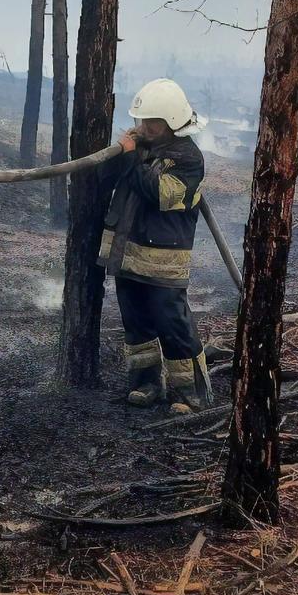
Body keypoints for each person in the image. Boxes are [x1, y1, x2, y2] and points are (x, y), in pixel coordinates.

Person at [99, 78, 212, 414]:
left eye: (151, 122)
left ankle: (190, 393)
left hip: (164, 258)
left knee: (172, 323)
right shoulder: (141, 148)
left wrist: (134, 158)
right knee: (137, 322)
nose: (143, 127)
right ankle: (145, 383)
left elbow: (162, 194)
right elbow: (107, 179)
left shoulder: (188, 158)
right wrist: (123, 153)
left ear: (172, 122)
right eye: (141, 121)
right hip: (127, 251)